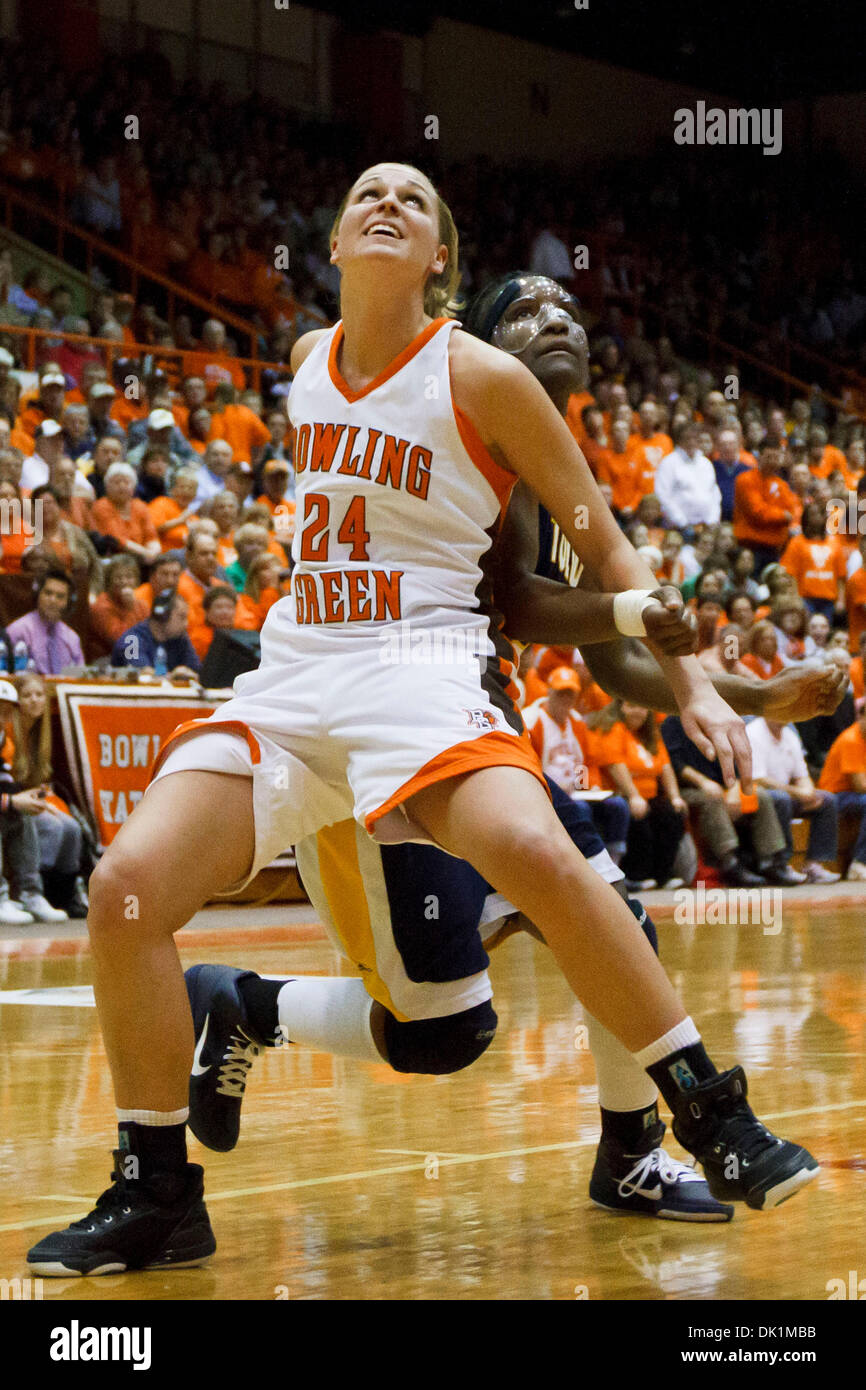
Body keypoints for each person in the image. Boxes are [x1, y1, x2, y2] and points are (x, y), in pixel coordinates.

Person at [28, 165, 818, 1278]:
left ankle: (707, 1117)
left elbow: (601, 542)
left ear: (440, 258)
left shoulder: (483, 375)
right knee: (124, 891)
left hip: (421, 670)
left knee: (539, 852)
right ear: (340, 245)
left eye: (413, 198)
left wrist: (692, 684)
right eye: (365, 195)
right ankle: (158, 1192)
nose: (386, 201)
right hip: (299, 672)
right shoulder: (305, 363)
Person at [182, 270, 844, 1234]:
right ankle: (245, 1003)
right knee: (445, 1033)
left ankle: (633, 1156)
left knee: (618, 929)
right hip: (382, 746)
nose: (559, 323)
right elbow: (524, 606)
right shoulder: (451, 423)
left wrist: (755, 695)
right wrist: (677, 642)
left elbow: (615, 661)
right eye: (528, 312)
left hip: (486, 747)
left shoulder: (555, 466)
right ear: (478, 347)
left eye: (571, 312)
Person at [523, 666, 630, 863]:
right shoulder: (533, 722)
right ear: (549, 693)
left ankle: (613, 865)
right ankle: (584, 865)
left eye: (569, 695)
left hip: (576, 791)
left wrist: (588, 786)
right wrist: (557, 789)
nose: (565, 700)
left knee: (618, 806)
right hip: (547, 793)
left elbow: (586, 762)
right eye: (560, 694)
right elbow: (528, 765)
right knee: (580, 809)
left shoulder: (576, 722)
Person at [10, 671, 89, 915]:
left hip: (30, 797)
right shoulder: (9, 732)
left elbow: (40, 783)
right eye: (27, 696)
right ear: (17, 702)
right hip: (13, 801)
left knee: (72, 827)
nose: (34, 700)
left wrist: (47, 802)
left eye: (39, 695)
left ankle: (64, 896)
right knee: (52, 826)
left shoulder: (40, 735)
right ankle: (29, 891)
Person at [593, 699, 687, 890]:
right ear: (621, 708)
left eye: (642, 707)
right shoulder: (614, 729)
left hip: (651, 795)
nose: (638, 712)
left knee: (672, 813)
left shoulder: (650, 735)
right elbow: (615, 765)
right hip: (623, 794)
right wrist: (634, 796)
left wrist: (675, 796)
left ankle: (663, 875)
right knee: (639, 816)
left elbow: (666, 767)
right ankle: (637, 875)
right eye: (632, 706)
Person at [746, 715, 840, 884]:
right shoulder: (753, 732)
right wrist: (797, 792)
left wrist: (809, 791)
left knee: (827, 800)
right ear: (766, 710)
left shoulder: (790, 735)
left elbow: (801, 774)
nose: (784, 713)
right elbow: (758, 779)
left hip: (787, 794)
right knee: (781, 800)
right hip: (759, 795)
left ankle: (814, 865)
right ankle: (783, 863)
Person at [733, 441, 800, 575]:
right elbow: (757, 513)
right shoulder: (745, 480)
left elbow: (790, 513)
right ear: (759, 457)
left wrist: (777, 514)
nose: (772, 461)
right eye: (769, 457)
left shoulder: (782, 485)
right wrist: (781, 515)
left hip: (774, 548)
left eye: (776, 457)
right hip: (751, 546)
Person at [818, 706, 866, 881]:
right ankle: (859, 863)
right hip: (834, 796)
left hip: (854, 795)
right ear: (860, 716)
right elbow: (860, 785)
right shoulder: (851, 740)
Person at [7, 568, 84, 675]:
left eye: (60, 596)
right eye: (48, 593)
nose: (53, 600)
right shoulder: (18, 631)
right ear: (37, 595)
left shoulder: (72, 638)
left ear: (68, 602)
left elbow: (79, 677)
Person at [111, 588, 200, 677]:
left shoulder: (180, 638)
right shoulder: (131, 640)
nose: (186, 624)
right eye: (182, 617)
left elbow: (197, 671)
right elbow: (141, 673)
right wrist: (173, 676)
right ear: (163, 616)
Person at [654, 421, 721, 532]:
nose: (691, 442)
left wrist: (712, 520)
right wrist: (681, 522)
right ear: (679, 440)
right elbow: (663, 495)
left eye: (695, 438)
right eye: (687, 438)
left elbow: (714, 493)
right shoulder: (669, 463)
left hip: (707, 527)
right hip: (679, 527)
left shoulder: (706, 463)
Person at [90, 463, 161, 566]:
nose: (122, 486)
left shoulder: (140, 506)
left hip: (143, 558)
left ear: (133, 486)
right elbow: (117, 539)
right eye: (117, 482)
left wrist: (153, 552)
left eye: (126, 482)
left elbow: (151, 536)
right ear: (107, 486)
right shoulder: (101, 506)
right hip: (113, 559)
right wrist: (146, 553)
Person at [89, 554, 149, 657]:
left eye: (129, 577)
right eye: (118, 577)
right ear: (109, 580)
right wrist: (130, 608)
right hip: (108, 660)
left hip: (138, 655)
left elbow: (151, 635)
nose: (124, 582)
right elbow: (123, 642)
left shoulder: (142, 605)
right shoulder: (101, 606)